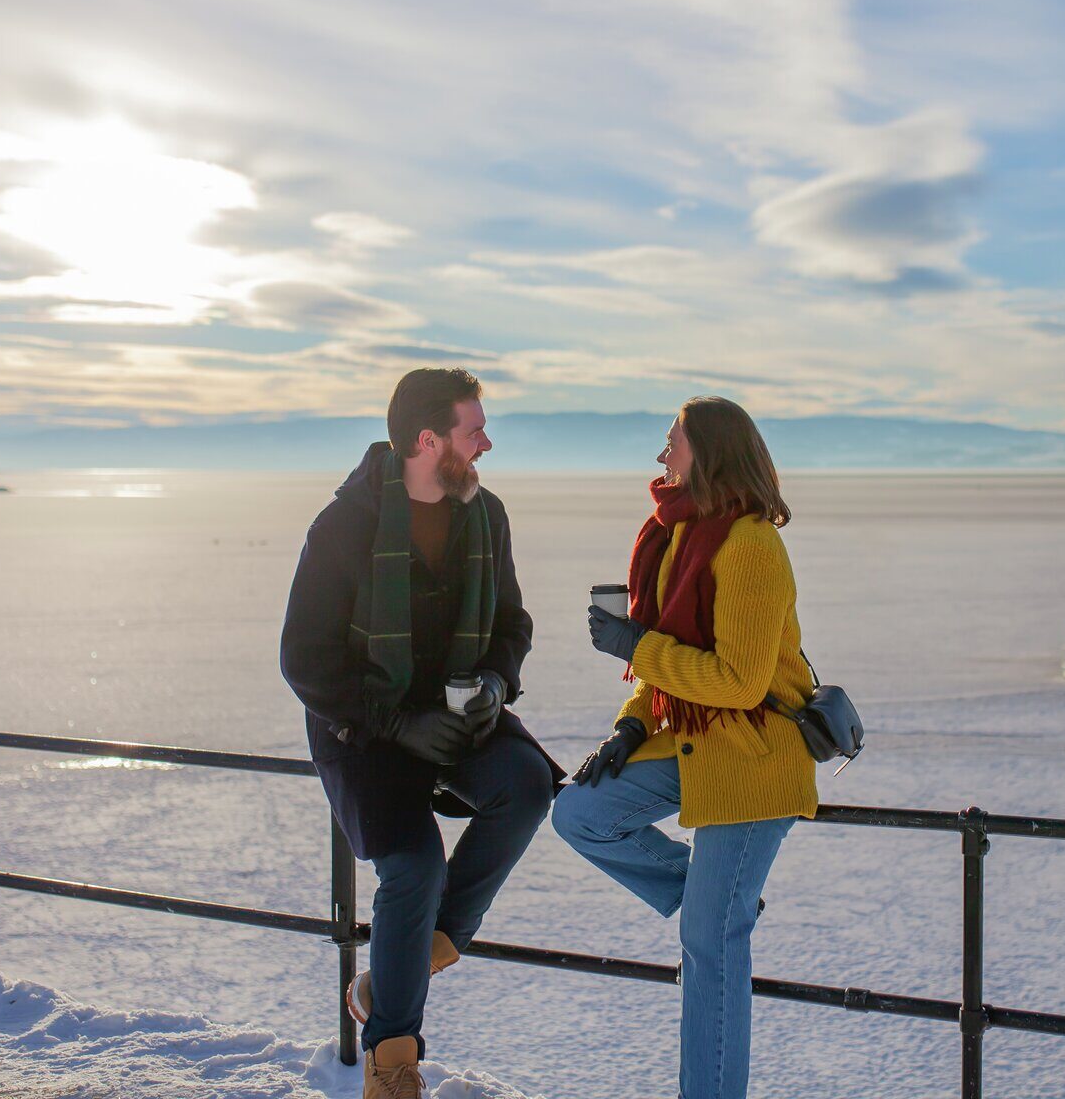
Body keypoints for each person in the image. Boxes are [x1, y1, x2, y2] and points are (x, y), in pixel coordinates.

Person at [281, 367, 562, 1099]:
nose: (488, 442)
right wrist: (398, 722)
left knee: (529, 784)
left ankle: (417, 954)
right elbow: (303, 659)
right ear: (429, 440)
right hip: (364, 729)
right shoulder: (345, 525)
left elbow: (512, 623)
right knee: (412, 866)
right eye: (475, 430)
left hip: (461, 716)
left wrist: (497, 685)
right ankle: (392, 1067)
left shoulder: (485, 515)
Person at [552, 396, 817, 1099]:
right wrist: (631, 724)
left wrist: (637, 645)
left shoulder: (753, 546)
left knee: (709, 950)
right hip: (694, 743)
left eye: (673, 442)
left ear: (710, 450)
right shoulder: (677, 536)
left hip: (756, 760)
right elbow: (670, 665)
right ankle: (716, 897)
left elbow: (738, 680)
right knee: (579, 813)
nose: (661, 456)